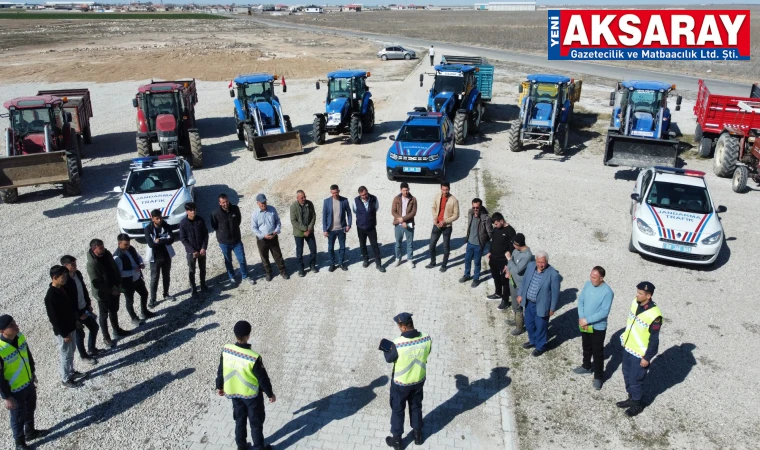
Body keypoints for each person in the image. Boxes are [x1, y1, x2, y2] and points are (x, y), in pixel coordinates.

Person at [216, 321, 276, 450]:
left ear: (235, 334)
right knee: (255, 424)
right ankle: (259, 447)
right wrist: (270, 394)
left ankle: (241, 446)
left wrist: (219, 386)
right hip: (252, 397)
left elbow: (221, 371)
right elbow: (263, 379)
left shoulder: (226, 350)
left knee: (239, 421)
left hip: (234, 394)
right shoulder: (253, 357)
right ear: (248, 336)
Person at [0, 315, 49, 450]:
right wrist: (6, 397)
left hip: (28, 383)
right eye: (11, 325)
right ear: (2, 331)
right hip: (14, 391)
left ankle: (30, 432)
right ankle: (20, 444)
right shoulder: (0, 349)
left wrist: (32, 373)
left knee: (30, 409)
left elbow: (28, 355)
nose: (16, 325)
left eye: (14, 322)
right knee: (17, 417)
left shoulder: (20, 337)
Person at [383, 313, 431, 449]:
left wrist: (385, 349)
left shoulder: (397, 344)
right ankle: (418, 436)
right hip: (419, 380)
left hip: (401, 384)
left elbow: (389, 358)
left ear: (403, 328)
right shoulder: (426, 338)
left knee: (398, 410)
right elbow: (428, 352)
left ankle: (397, 441)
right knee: (416, 406)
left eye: (399, 326)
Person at [616, 282, 662, 417]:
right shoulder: (635, 303)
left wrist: (647, 357)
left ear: (648, 296)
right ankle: (631, 398)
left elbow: (654, 340)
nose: (637, 295)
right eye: (637, 292)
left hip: (640, 353)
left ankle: (637, 404)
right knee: (626, 374)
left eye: (640, 293)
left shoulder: (655, 315)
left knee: (636, 379)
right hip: (628, 347)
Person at [44, 265, 87, 388]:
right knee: (65, 354)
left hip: (71, 327)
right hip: (64, 332)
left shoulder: (62, 288)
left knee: (71, 351)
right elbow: (54, 319)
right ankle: (65, 378)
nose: (65, 279)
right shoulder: (50, 296)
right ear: (54, 278)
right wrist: (64, 334)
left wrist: (75, 321)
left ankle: (71, 372)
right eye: (63, 277)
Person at [574, 266, 615, 390]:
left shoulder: (608, 292)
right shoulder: (587, 284)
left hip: (597, 327)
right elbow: (581, 301)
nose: (592, 279)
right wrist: (582, 318)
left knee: (597, 352)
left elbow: (604, 312)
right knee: (586, 346)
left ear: (601, 278)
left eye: (594, 277)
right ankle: (586, 366)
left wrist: (587, 320)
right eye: (591, 276)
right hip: (584, 324)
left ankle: (598, 376)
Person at [86, 239, 129, 348]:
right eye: (100, 247)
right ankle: (106, 337)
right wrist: (110, 291)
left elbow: (115, 268)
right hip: (103, 293)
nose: (103, 248)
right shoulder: (91, 263)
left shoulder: (107, 253)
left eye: (103, 245)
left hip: (115, 288)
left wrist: (119, 284)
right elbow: (96, 283)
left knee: (114, 310)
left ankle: (116, 330)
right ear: (94, 249)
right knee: (104, 315)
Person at [517, 251, 560, 357]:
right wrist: (520, 294)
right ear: (535, 260)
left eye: (543, 262)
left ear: (547, 262)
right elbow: (524, 281)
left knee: (541, 327)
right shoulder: (531, 266)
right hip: (528, 303)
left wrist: (552, 308)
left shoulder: (553, 274)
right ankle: (533, 340)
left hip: (541, 305)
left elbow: (555, 293)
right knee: (529, 324)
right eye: (539, 262)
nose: (541, 265)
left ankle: (540, 346)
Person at [61, 255, 101, 365]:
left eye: (75, 263)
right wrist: (78, 315)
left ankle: (91, 349)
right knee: (80, 335)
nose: (75, 266)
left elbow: (83, 289)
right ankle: (84, 356)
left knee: (94, 327)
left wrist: (88, 303)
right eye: (72, 264)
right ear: (65, 266)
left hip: (83, 308)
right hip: (74, 314)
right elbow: (68, 302)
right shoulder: (65, 281)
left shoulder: (77, 274)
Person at [211, 193, 255, 285]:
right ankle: (232, 276)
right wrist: (223, 233)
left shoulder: (235, 209)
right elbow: (214, 226)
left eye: (226, 201)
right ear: (219, 203)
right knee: (228, 261)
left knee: (242, 259)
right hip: (224, 242)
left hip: (236, 240)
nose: (225, 204)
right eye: (223, 202)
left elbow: (238, 221)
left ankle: (245, 276)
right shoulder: (215, 213)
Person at [113, 234, 154, 323]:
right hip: (127, 283)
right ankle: (134, 318)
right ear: (119, 243)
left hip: (137, 278)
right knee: (129, 301)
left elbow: (138, 256)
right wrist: (134, 271)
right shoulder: (117, 257)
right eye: (125, 244)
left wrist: (141, 262)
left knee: (144, 293)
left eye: (128, 244)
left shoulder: (131, 248)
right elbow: (120, 274)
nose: (128, 246)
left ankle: (144, 311)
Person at [251, 193, 289, 281]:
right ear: (258, 203)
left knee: (277, 255)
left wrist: (276, 231)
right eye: (261, 203)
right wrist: (263, 235)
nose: (264, 204)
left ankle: (282, 271)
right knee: (264, 256)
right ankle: (268, 272)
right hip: (262, 239)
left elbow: (278, 221)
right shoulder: (255, 214)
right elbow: (254, 228)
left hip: (273, 236)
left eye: (264, 202)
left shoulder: (272, 209)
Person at [426, 182, 459, 272]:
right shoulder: (437, 196)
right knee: (431, 245)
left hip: (447, 227)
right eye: (443, 189)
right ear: (441, 189)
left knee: (446, 247)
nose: (445, 191)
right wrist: (435, 217)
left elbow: (456, 215)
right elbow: (433, 207)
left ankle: (444, 265)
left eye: (446, 189)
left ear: (449, 189)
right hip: (436, 225)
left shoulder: (454, 200)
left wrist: (445, 221)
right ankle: (433, 262)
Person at [144, 209, 176, 304]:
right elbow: (151, 244)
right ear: (152, 218)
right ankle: (153, 299)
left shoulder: (166, 226)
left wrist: (160, 240)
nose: (159, 220)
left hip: (166, 256)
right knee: (154, 278)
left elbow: (171, 239)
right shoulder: (148, 229)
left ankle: (166, 294)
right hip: (155, 258)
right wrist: (164, 239)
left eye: (160, 218)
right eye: (157, 218)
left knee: (166, 276)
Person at [460, 198, 492, 288]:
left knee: (477, 262)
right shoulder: (470, 213)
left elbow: (490, 233)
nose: (475, 209)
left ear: (480, 207)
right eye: (473, 207)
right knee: (467, 260)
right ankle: (467, 275)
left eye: (477, 208)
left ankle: (476, 278)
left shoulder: (486, 218)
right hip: (470, 242)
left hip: (479, 245)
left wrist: (484, 241)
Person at [505, 234, 533, 336]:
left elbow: (517, 269)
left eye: (513, 244)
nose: (512, 245)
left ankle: (519, 327)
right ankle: (516, 320)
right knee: (514, 303)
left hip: (520, 285)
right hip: (512, 281)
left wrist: (508, 259)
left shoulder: (527, 256)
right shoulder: (516, 251)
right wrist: (508, 270)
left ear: (517, 244)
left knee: (518, 305)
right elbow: (511, 264)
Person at [179, 202, 209, 296]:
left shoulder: (200, 220)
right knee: (192, 270)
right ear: (187, 211)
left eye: (194, 209)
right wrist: (193, 250)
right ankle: (193, 288)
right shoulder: (183, 223)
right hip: (191, 252)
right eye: (191, 210)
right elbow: (183, 239)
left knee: (202, 268)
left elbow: (205, 235)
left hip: (201, 250)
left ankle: (203, 285)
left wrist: (204, 247)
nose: (193, 212)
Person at [352, 186, 385, 272]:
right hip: (361, 227)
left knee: (375, 245)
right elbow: (355, 210)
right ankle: (365, 259)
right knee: (362, 244)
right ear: (359, 195)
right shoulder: (355, 201)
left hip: (371, 227)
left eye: (366, 194)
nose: (365, 196)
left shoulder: (374, 199)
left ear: (367, 192)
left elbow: (376, 208)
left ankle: (378, 264)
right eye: (362, 195)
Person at [486, 212, 516, 304]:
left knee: (505, 281)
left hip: (503, 260)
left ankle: (505, 300)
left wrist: (508, 264)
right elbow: (493, 241)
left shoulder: (510, 231)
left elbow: (512, 248)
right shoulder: (496, 229)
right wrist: (490, 252)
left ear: (501, 221)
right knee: (496, 277)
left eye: (496, 224)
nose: (495, 226)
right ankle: (498, 293)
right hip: (494, 259)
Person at [321, 184, 352, 272]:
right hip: (331, 230)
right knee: (330, 248)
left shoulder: (344, 200)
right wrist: (324, 230)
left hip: (342, 229)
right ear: (331, 192)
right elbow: (324, 217)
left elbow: (349, 213)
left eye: (336, 192)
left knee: (342, 247)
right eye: (333, 193)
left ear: (339, 191)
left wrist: (349, 225)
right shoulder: (326, 202)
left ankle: (341, 263)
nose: (335, 194)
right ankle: (332, 264)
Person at [289, 190, 318, 277]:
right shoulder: (293, 207)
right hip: (299, 233)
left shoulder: (309, 204)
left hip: (309, 231)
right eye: (302, 198)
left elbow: (313, 216)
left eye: (305, 196)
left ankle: (312, 265)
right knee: (299, 251)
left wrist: (309, 229)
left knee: (313, 249)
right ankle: (301, 269)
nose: (304, 199)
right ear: (297, 198)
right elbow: (293, 221)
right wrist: (304, 229)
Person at [391, 182, 417, 268]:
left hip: (409, 224)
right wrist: (401, 221)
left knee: (410, 243)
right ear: (400, 190)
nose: (406, 192)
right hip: (398, 223)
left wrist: (404, 219)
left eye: (407, 190)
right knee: (398, 243)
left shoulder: (413, 199)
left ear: (409, 189)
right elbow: (393, 211)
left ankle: (410, 259)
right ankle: (398, 258)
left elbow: (413, 213)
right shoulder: (396, 199)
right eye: (404, 190)